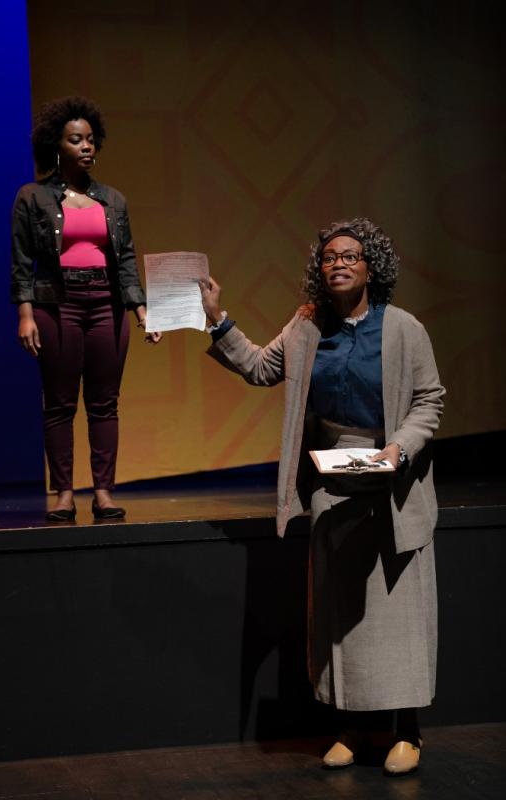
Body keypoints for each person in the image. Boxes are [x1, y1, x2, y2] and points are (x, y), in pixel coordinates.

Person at [200, 217, 445, 775]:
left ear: (371, 266)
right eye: (329, 256)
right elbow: (263, 368)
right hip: (335, 481)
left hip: (395, 483)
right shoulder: (307, 326)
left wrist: (399, 449)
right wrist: (217, 319)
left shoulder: (404, 328)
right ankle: (352, 730)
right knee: (339, 618)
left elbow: (429, 400)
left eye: (350, 255)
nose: (338, 263)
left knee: (399, 613)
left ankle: (407, 731)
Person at [11, 96, 161, 521]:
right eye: (76, 140)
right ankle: (62, 492)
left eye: (91, 140)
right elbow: (21, 260)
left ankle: (103, 491)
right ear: (57, 145)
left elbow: (126, 258)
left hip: (106, 305)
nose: (86, 147)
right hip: (57, 306)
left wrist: (142, 311)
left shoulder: (112, 200)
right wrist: (24, 313)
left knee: (104, 403)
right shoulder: (33, 197)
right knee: (59, 403)